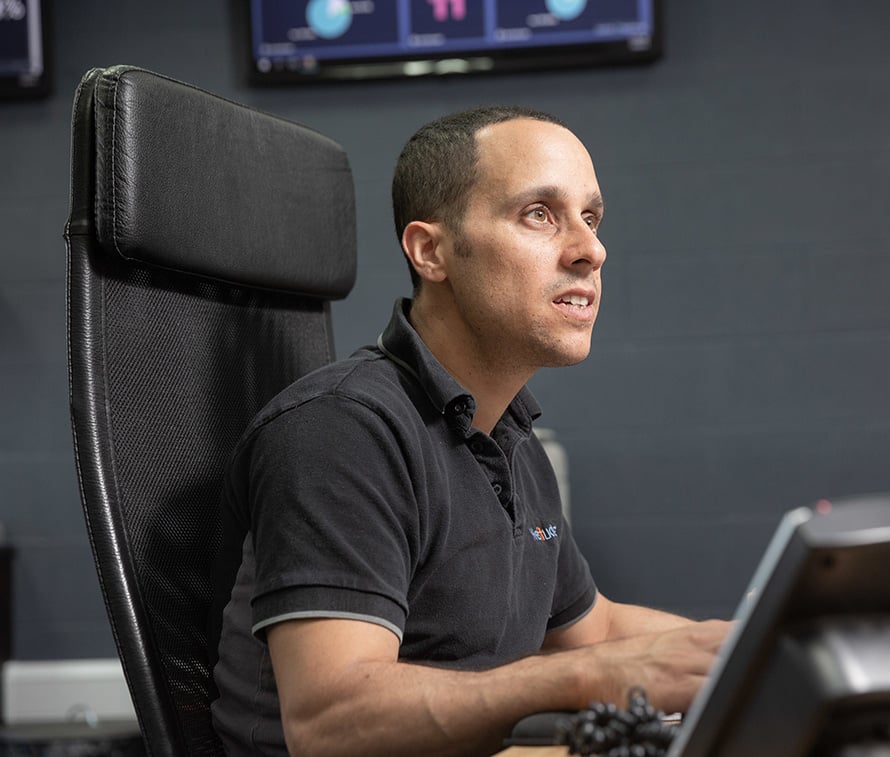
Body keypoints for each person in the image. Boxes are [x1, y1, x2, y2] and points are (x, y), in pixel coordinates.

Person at [210, 105, 731, 756]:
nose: (591, 249)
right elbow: (329, 720)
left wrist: (757, 650)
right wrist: (587, 679)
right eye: (539, 213)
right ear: (431, 251)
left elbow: (593, 630)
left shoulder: (509, 436)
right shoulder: (342, 429)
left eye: (591, 218)